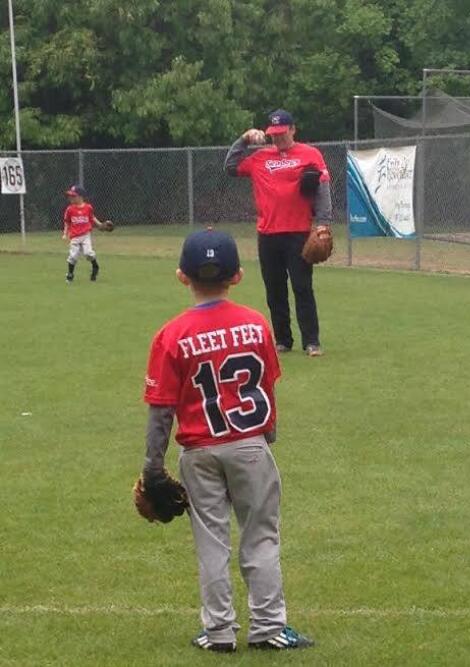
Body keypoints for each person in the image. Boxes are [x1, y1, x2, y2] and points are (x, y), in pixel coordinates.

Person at [142, 229, 314, 653]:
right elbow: (266, 387)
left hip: (198, 451)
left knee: (211, 541)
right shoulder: (256, 323)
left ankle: (218, 631)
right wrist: (266, 434)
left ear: (182, 276)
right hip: (251, 444)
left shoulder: (171, 335)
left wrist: (151, 467)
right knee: (261, 536)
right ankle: (269, 626)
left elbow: (161, 409)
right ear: (237, 276)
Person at [224, 109, 333, 357]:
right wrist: (243, 140)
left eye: (282, 133)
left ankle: (311, 341)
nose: (278, 139)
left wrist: (324, 222)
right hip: (268, 234)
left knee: (302, 287)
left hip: (298, 233)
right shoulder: (260, 157)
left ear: (293, 129)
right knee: (274, 289)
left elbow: (322, 187)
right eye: (274, 134)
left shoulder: (310, 154)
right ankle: (283, 340)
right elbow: (230, 166)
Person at [62, 185, 106, 283]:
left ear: (80, 197)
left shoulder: (88, 207)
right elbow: (67, 222)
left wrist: (100, 224)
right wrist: (65, 233)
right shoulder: (70, 209)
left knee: (88, 253)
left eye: (73, 196)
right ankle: (70, 274)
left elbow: (92, 217)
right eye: (70, 196)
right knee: (73, 256)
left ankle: (95, 267)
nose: (70, 198)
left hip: (85, 235)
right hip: (74, 236)